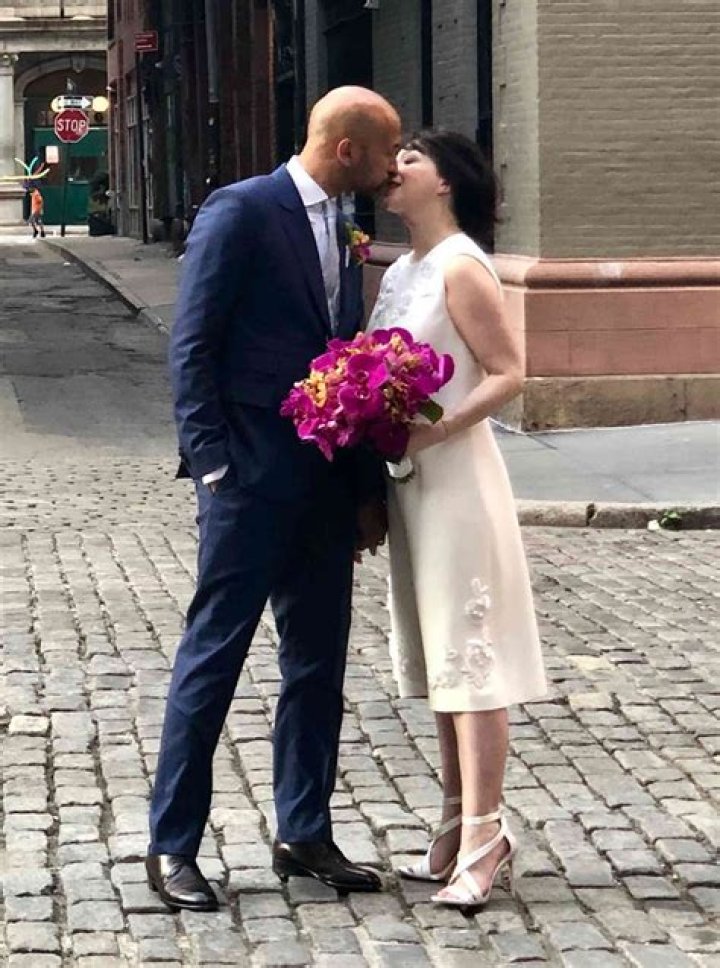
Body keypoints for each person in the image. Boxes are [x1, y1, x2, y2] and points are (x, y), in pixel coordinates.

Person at [146, 86, 402, 912]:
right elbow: (193, 344)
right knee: (213, 658)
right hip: (249, 483)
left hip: (325, 489)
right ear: (348, 151)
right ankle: (172, 845)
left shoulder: (346, 225)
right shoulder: (243, 211)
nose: (395, 166)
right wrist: (214, 466)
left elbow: (344, 356)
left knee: (317, 666)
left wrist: (363, 490)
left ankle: (304, 833)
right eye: (388, 150)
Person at [367, 130, 547, 909]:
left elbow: (508, 373)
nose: (393, 167)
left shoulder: (462, 266)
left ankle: (486, 833)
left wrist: (435, 430)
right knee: (442, 658)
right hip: (411, 482)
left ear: (445, 183)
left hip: (458, 479)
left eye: (410, 158)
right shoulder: (401, 269)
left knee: (472, 661)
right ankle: (452, 820)